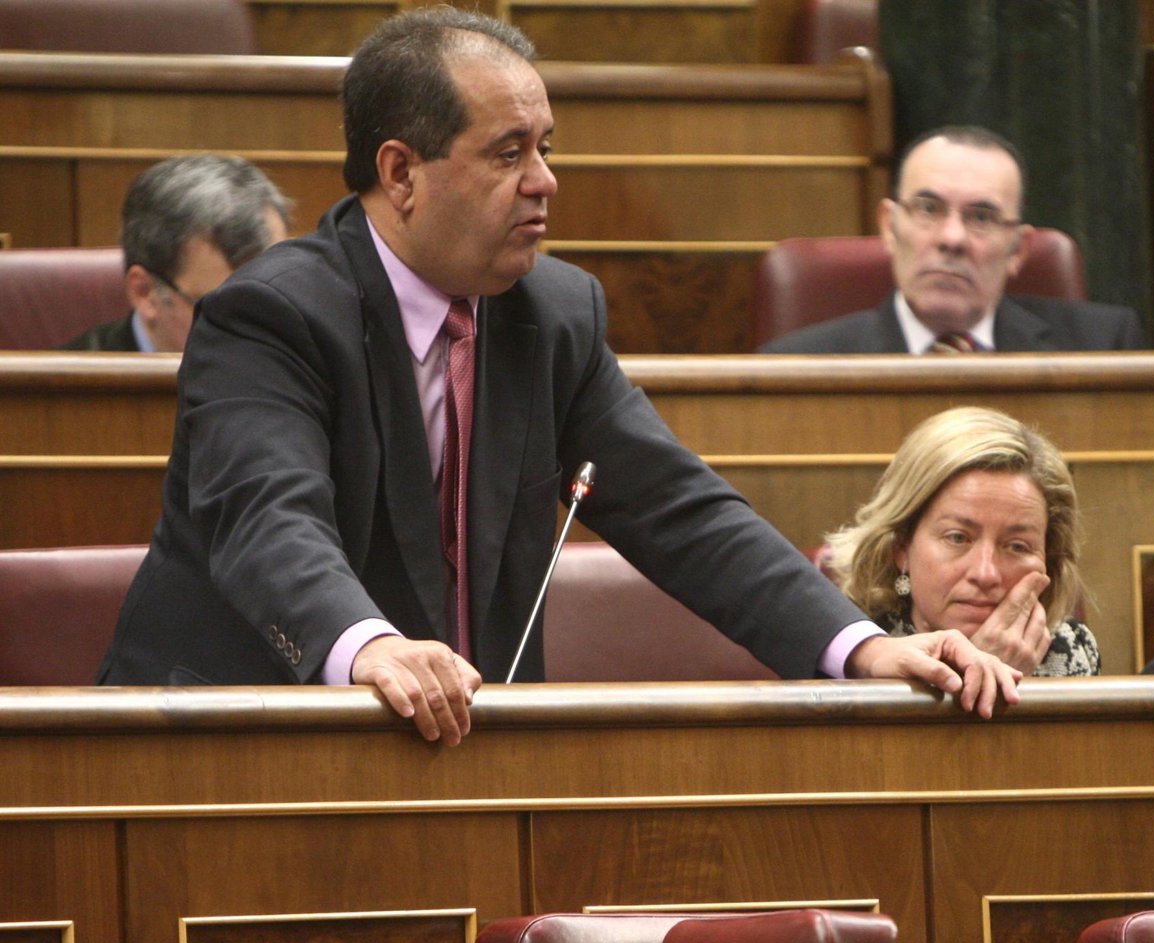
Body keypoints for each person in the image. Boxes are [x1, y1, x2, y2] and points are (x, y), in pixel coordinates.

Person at [97, 6, 1020, 743]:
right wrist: (368, 645)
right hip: (233, 742)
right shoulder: (271, 315)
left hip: (462, 746)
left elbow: (678, 509)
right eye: (509, 154)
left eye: (546, 148)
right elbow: (269, 521)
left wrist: (857, 646)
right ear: (401, 173)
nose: (544, 181)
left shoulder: (553, 312)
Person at [758, 125, 1144, 354]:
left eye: (981, 217)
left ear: (1017, 249)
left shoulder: (1102, 346)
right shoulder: (799, 365)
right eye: (929, 209)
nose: (952, 238)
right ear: (889, 227)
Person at [824, 406, 1100, 676]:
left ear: (1049, 559)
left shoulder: (1070, 651)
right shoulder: (852, 652)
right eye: (957, 538)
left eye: (1017, 546)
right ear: (901, 547)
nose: (985, 574)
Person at [61, 154, 291, 353]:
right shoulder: (64, 386)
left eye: (276, 302)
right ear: (145, 292)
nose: (265, 334)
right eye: (225, 311)